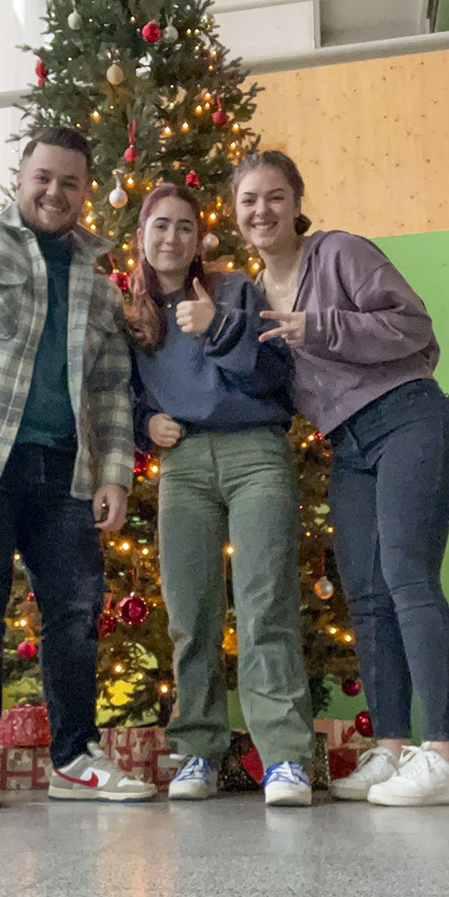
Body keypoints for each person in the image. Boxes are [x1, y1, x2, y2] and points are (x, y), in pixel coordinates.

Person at [0, 126, 155, 808]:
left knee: (75, 611)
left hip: (65, 471)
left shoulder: (99, 286)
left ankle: (73, 758)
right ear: (18, 178)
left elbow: (111, 388)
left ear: (85, 191)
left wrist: (114, 474)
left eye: (70, 183)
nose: (55, 192)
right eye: (43, 177)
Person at [237, 150, 449, 807]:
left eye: (275, 196)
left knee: (408, 577)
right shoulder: (251, 298)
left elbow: (414, 326)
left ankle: (445, 758)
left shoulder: (338, 253)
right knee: (366, 597)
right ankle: (392, 748)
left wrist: (318, 326)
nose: (262, 210)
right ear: (235, 213)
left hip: (408, 419)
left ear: (297, 203)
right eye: (249, 199)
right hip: (348, 445)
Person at [124, 184, 315, 807]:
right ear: (142, 235)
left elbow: (277, 375)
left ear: (199, 238)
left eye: (184, 226)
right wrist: (145, 424)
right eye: (160, 226)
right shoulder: (132, 314)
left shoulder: (233, 291)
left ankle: (284, 757)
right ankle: (199, 751)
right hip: (183, 465)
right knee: (191, 613)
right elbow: (118, 393)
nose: (172, 238)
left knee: (266, 605)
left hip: (254, 452)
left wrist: (220, 329)